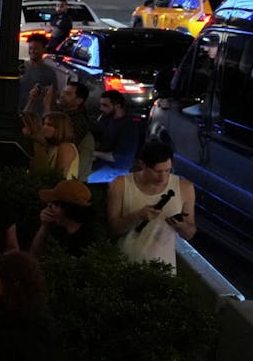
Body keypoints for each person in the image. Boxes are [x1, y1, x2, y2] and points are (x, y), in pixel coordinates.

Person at [107, 140, 195, 269]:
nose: (163, 177)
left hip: (163, 270)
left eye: (168, 171)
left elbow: (190, 233)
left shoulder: (184, 187)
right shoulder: (121, 184)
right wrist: (137, 216)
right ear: (142, 164)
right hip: (124, 265)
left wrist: (181, 226)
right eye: (158, 171)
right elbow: (113, 228)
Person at [29, 179, 99, 258]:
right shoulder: (58, 229)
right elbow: (33, 257)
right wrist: (44, 227)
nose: (49, 205)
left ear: (67, 209)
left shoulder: (85, 242)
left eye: (55, 203)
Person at [91, 89, 139, 170]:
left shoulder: (128, 127)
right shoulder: (106, 119)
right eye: (101, 105)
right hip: (102, 163)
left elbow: (118, 157)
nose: (101, 108)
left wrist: (92, 153)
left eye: (105, 105)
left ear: (118, 106)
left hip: (117, 168)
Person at [33, 112, 79, 181]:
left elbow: (59, 177)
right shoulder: (52, 147)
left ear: (60, 128)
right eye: (44, 124)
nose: (44, 127)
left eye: (49, 125)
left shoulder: (66, 147)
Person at [20, 34, 58, 116]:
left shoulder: (49, 73)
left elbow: (52, 97)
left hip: (35, 116)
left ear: (44, 49)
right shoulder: (20, 67)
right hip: (16, 111)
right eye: (30, 48)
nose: (32, 51)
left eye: (36, 49)